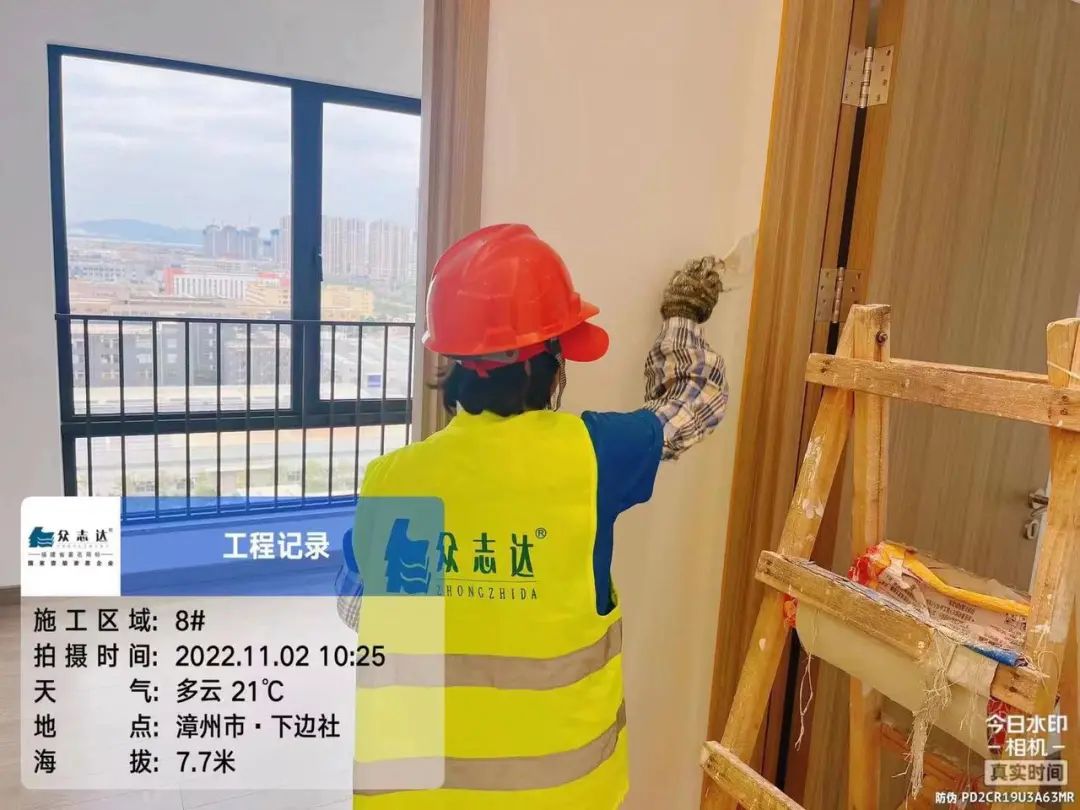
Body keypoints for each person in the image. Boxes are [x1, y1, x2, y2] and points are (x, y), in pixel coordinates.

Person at [348, 223, 729, 809]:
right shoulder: (595, 455)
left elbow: (355, 609)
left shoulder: (391, 480)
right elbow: (697, 399)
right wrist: (683, 317)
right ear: (548, 366)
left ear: (451, 363)